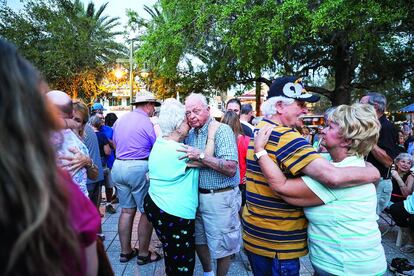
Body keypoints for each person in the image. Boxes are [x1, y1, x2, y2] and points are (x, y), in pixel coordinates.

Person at [242, 76, 380, 275]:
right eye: (301, 104)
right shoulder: (288, 138)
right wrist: (373, 172)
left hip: (258, 235)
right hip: (279, 244)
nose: (306, 110)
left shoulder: (260, 130)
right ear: (280, 106)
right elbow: (331, 176)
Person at [0, 38, 100, 275]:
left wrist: (88, 163)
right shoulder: (44, 183)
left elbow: (96, 175)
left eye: (74, 120)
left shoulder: (82, 142)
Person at [180, 93, 241, 276]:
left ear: (208, 110)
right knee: (199, 239)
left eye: (196, 111)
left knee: (223, 245)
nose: (191, 115)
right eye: (188, 112)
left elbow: (231, 168)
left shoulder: (222, 130)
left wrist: (201, 156)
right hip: (196, 197)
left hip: (220, 197)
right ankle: (208, 273)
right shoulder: (189, 134)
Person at [143, 98, 199, 275]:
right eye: (185, 119)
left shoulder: (161, 142)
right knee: (183, 262)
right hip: (172, 212)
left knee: (172, 256)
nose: (188, 122)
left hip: (158, 205)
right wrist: (212, 132)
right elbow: (207, 159)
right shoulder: (180, 152)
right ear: (177, 125)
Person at [111, 91, 162, 264]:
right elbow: (156, 146)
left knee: (126, 210)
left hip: (118, 166)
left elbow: (114, 143)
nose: (154, 109)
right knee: (146, 211)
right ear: (148, 105)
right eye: (153, 106)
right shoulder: (147, 122)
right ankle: (143, 253)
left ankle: (125, 252)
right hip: (138, 167)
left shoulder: (120, 120)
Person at [47, 90, 97, 197]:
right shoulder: (46, 136)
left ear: (83, 125)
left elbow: (94, 175)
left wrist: (88, 162)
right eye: (69, 119)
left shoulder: (81, 144)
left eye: (77, 120)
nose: (71, 123)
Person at [360, 92, 399, 214]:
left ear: (375, 107)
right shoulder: (370, 125)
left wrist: (368, 140)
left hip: (379, 183)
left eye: (361, 104)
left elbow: (388, 161)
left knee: (367, 220)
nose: (358, 107)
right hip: (367, 180)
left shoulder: (386, 127)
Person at [221, 110, 250, 211]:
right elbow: (253, 161)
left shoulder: (219, 141)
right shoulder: (246, 140)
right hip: (242, 181)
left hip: (224, 182)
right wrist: (249, 174)